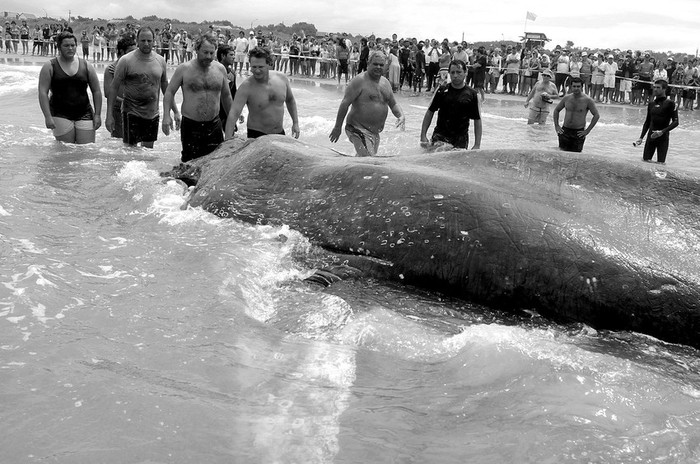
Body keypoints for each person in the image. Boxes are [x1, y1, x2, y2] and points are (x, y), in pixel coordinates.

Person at [161, 34, 233, 162]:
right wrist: (166, 116)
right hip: (191, 126)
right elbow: (169, 92)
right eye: (205, 52)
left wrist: (232, 120)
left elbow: (226, 96)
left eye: (212, 53)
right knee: (189, 164)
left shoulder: (220, 69)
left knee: (216, 162)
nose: (209, 57)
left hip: (214, 125)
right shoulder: (184, 69)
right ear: (197, 50)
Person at [106, 27, 173, 148]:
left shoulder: (160, 60)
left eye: (149, 40)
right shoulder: (126, 60)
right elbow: (113, 88)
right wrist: (109, 115)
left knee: (148, 151)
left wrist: (174, 112)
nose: (146, 44)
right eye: (143, 40)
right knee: (130, 151)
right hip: (131, 112)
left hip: (152, 113)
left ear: (154, 41)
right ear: (137, 41)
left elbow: (165, 87)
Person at [329, 51, 405, 156]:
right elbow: (344, 104)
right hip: (357, 128)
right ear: (368, 64)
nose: (378, 67)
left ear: (386, 66)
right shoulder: (359, 81)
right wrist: (337, 127)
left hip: (374, 133)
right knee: (369, 160)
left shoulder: (386, 83)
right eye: (375, 64)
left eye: (381, 65)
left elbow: (393, 104)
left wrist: (401, 116)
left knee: (365, 159)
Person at [38, 31, 102, 144]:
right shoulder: (50, 66)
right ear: (59, 47)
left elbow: (96, 91)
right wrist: (47, 116)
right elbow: (43, 92)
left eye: (73, 45)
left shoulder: (86, 65)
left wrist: (97, 115)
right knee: (66, 152)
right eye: (66, 45)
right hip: (59, 114)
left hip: (85, 113)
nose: (70, 48)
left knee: (86, 151)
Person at [223, 47, 299, 140]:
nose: (257, 70)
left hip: (279, 134)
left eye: (260, 67)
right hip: (257, 135)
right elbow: (233, 113)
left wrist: (295, 123)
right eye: (254, 67)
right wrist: (227, 140)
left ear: (269, 64)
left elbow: (290, 100)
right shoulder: (246, 87)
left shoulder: (282, 79)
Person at [419, 60, 481, 150]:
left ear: (465, 72)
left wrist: (477, 144)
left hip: (460, 139)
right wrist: (423, 135)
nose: (455, 76)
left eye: (459, 72)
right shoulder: (442, 90)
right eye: (452, 72)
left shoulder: (473, 95)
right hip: (440, 136)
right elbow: (430, 112)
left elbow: (477, 120)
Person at [635, 79, 679, 164]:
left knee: (660, 164)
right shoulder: (651, 104)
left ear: (664, 89)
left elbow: (676, 122)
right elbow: (647, 122)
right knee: (645, 162)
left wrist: (662, 132)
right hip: (651, 137)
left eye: (658, 87)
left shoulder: (670, 103)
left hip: (663, 137)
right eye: (654, 87)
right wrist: (641, 137)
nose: (655, 89)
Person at [552, 77, 600, 152]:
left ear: (582, 87)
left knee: (576, 156)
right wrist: (557, 126)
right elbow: (556, 110)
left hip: (578, 133)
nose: (576, 88)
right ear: (571, 87)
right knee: (561, 153)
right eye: (574, 86)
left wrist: (587, 130)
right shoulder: (567, 98)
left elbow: (596, 115)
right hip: (565, 130)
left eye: (578, 86)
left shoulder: (587, 100)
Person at [104, 36, 137, 139]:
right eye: (131, 52)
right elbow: (108, 93)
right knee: (119, 142)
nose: (134, 55)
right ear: (122, 52)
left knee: (134, 142)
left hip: (135, 109)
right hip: (118, 110)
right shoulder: (110, 69)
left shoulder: (136, 68)